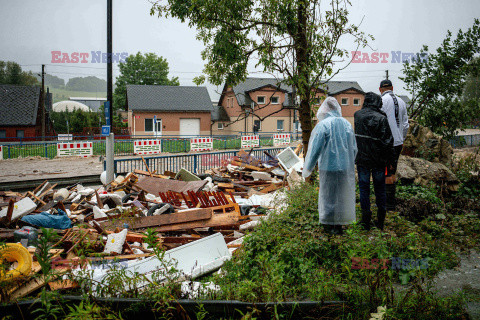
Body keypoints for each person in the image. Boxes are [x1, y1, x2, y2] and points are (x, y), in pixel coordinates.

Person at [302, 97, 357, 235]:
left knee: (328, 197)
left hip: (328, 168)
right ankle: (339, 226)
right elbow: (354, 149)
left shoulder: (323, 125)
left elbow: (315, 149)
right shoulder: (346, 124)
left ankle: (329, 226)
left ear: (325, 109)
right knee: (341, 197)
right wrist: (349, 162)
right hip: (344, 168)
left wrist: (308, 168)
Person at [354, 92, 395, 231]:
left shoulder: (357, 115)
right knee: (380, 189)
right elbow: (388, 142)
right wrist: (390, 161)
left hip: (362, 159)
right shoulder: (382, 118)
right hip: (378, 160)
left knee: (364, 189)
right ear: (378, 103)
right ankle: (380, 222)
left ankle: (365, 221)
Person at [379, 80, 409, 210]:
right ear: (392, 87)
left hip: (387, 143)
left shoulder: (382, 101)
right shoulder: (402, 101)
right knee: (393, 171)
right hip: (398, 142)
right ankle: (391, 201)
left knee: (386, 172)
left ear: (380, 89)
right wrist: (401, 138)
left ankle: (388, 204)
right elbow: (406, 125)